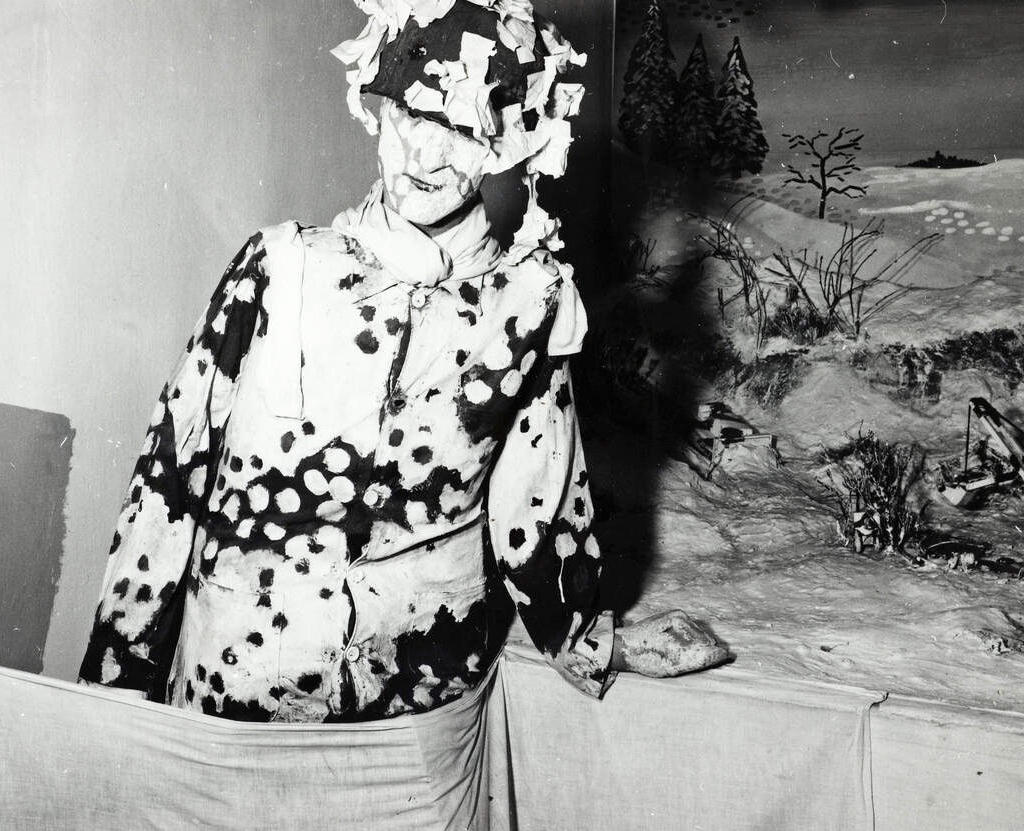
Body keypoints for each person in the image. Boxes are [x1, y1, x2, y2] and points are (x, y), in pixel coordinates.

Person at [78, 0, 728, 730]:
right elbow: (169, 483)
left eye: (461, 130)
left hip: (416, 709)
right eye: (412, 117)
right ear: (378, 112)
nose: (426, 156)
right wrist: (114, 692)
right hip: (239, 692)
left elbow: (539, 510)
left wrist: (599, 643)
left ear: (503, 145)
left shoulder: (528, 305)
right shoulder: (280, 269)